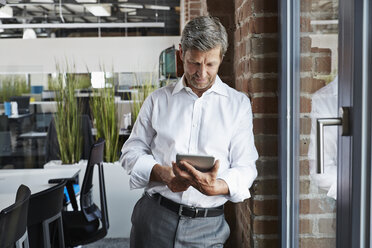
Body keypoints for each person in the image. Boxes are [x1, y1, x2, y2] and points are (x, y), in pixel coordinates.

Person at [120, 16, 258, 248]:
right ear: (182, 53)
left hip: (208, 227)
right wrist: (161, 173)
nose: (201, 73)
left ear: (221, 58)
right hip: (155, 219)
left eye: (210, 64)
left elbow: (246, 168)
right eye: (194, 62)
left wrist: (218, 186)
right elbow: (130, 153)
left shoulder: (238, 105)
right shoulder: (157, 101)